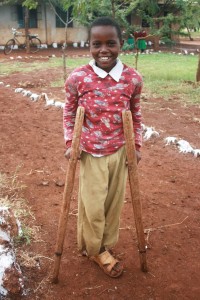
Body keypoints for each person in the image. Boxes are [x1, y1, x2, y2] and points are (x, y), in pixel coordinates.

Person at [63, 16, 143, 278]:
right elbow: (69, 112)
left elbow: (136, 114)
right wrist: (69, 143)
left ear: (121, 44)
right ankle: (96, 250)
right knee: (93, 204)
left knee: (112, 204)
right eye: (97, 44)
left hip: (120, 150)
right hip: (90, 151)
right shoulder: (78, 78)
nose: (104, 50)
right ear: (89, 45)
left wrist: (136, 146)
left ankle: (99, 245)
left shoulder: (132, 78)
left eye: (111, 43)